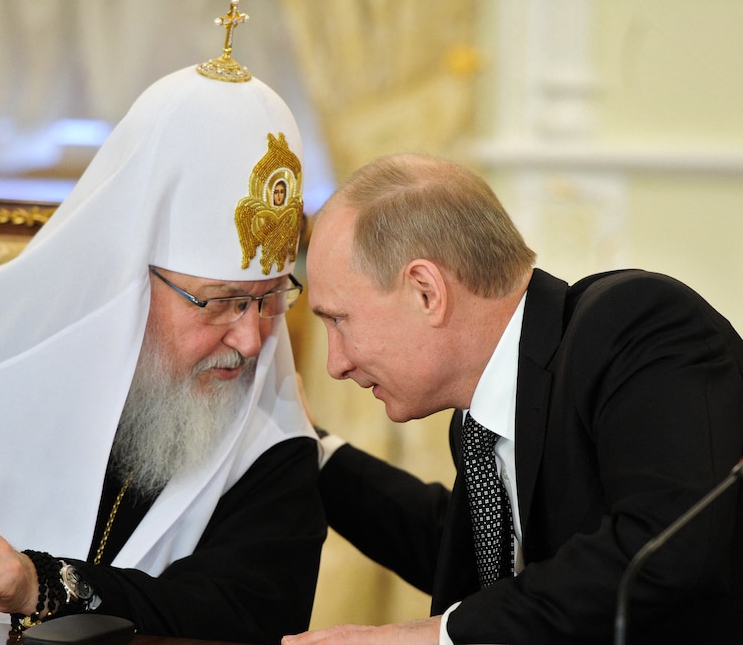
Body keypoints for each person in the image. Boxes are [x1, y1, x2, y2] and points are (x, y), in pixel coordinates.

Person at [0, 7, 325, 645]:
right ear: (126, 277)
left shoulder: (271, 440)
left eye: (270, 298)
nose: (252, 342)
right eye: (222, 301)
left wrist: (45, 583)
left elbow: (247, 620)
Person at [283, 153, 743, 645]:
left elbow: (661, 549)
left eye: (338, 320)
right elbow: (471, 560)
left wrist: (434, 636)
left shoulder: (632, 327)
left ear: (426, 291)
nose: (336, 363)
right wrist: (310, 453)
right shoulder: (476, 426)